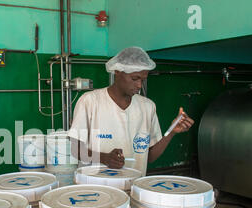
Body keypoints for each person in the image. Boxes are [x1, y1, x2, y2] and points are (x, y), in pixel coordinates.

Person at [68, 46, 194, 176]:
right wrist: (104, 158)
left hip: (132, 186)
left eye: (143, 80)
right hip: (97, 189)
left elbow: (149, 157)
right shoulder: (90, 102)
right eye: (135, 79)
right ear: (117, 72)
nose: (139, 85)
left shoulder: (147, 107)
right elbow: (75, 149)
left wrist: (171, 132)